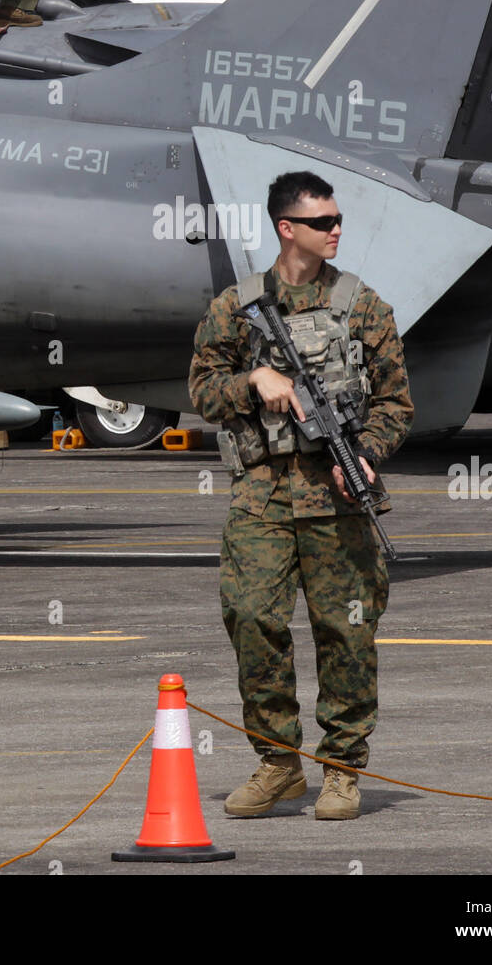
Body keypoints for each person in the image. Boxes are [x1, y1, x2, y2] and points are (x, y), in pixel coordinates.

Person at [189, 170, 413, 819]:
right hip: (261, 497)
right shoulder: (237, 306)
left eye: (338, 220)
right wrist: (252, 381)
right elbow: (202, 391)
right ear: (287, 229)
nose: (336, 230)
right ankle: (278, 763)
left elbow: (397, 404)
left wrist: (364, 455)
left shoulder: (363, 305)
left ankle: (342, 768)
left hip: (337, 500)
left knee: (346, 631)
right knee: (252, 619)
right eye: (322, 222)